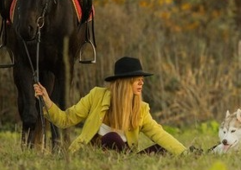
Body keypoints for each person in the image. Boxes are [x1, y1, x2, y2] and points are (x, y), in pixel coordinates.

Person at [33, 56, 187, 155]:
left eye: (142, 78)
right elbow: (65, 119)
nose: (142, 82)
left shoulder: (141, 109)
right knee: (112, 137)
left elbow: (159, 134)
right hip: (94, 157)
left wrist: (184, 153)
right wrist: (47, 101)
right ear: (124, 81)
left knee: (163, 148)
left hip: (126, 159)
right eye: (137, 79)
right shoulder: (97, 96)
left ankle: (193, 153)